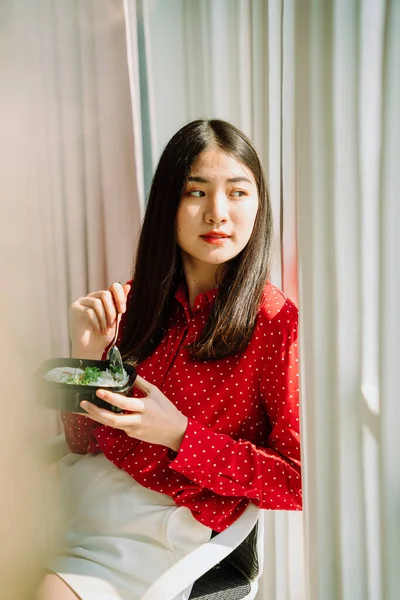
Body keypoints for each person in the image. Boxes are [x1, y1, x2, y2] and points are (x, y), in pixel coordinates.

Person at [38, 119, 301, 600]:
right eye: (196, 192)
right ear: (168, 205)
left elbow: (299, 479)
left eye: (238, 193)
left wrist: (180, 435)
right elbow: (82, 443)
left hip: (163, 526)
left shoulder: (277, 324)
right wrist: (83, 355)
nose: (217, 213)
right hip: (83, 494)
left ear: (259, 204)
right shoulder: (137, 301)